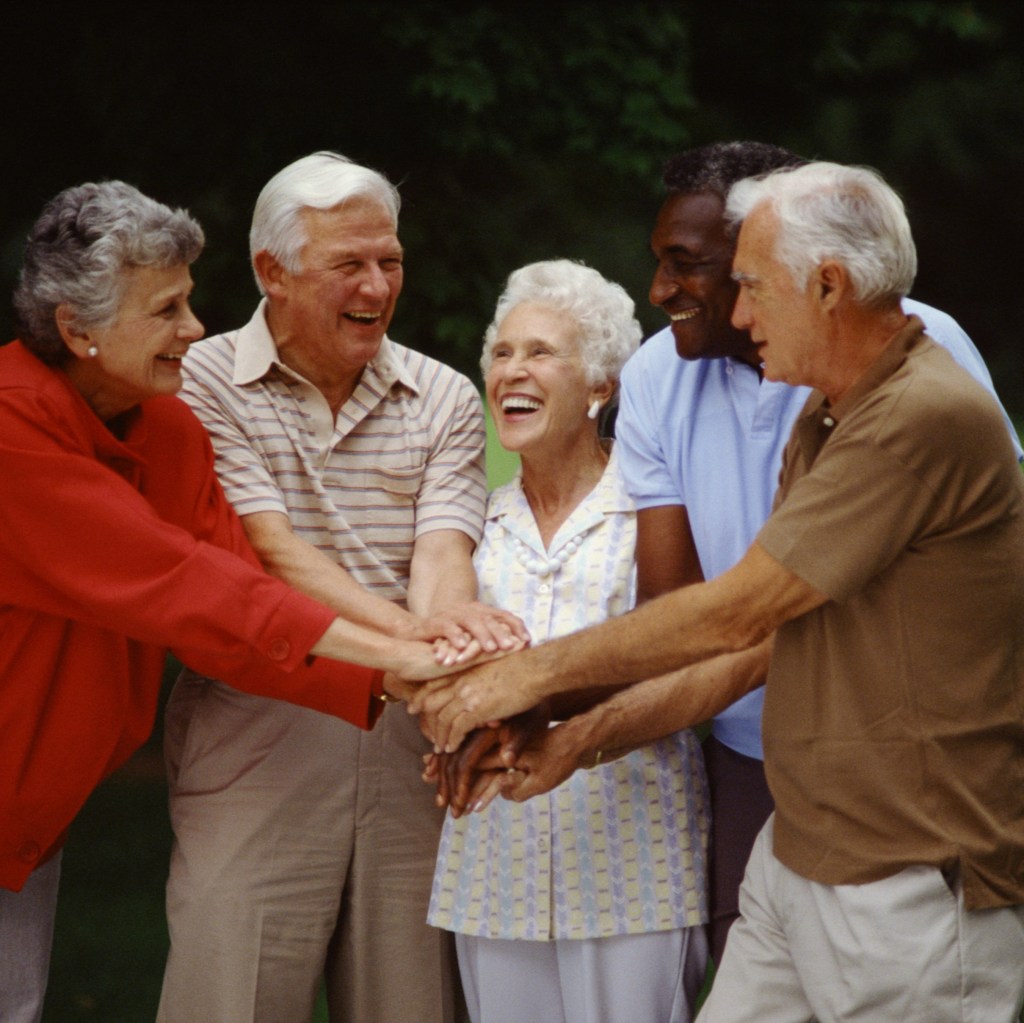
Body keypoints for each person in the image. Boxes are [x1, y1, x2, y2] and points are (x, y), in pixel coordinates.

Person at [411, 161, 1024, 1021]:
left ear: (827, 285)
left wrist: (523, 677)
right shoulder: (826, 415)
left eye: (751, 286)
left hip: (910, 872)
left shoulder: (920, 415)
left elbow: (742, 607)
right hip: (800, 852)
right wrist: (575, 736)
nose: (738, 314)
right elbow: (756, 649)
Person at [0, 180, 462, 1023]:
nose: (195, 328)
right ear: (79, 331)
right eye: (168, 309)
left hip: (25, 814)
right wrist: (404, 653)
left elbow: (235, 612)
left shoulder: (164, 425)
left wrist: (397, 680)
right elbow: (179, 583)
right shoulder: (10, 432)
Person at [157, 152, 524, 1023]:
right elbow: (272, 551)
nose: (377, 284)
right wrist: (420, 650)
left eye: (389, 260)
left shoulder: (439, 394)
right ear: (271, 272)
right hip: (258, 737)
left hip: (410, 748)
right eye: (348, 264)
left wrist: (442, 637)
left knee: (413, 1004)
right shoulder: (200, 380)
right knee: (229, 998)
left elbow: (443, 556)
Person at [427, 259, 709, 1023]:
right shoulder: (471, 521)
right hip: (495, 865)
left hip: (634, 864)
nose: (513, 370)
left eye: (542, 352)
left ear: (600, 387)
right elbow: (434, 655)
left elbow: (685, 657)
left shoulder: (653, 511)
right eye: (503, 352)